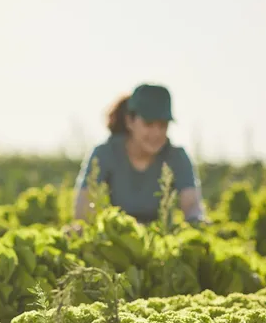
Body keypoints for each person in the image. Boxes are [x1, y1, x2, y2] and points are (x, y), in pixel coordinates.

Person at [72, 83, 206, 225]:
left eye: (163, 125)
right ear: (130, 121)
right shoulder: (105, 153)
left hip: (160, 238)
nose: (156, 133)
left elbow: (192, 206)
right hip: (116, 238)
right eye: (148, 124)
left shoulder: (177, 157)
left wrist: (197, 222)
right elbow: (83, 209)